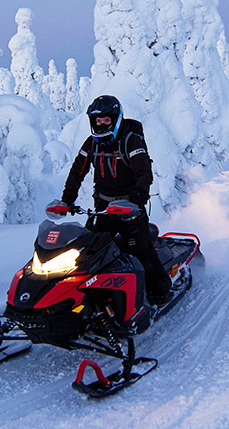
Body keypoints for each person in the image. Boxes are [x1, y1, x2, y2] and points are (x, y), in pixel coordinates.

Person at [52, 95, 171, 309]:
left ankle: (161, 290)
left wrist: (136, 199)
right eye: (97, 121)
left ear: (115, 119)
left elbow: (144, 172)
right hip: (103, 209)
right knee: (88, 251)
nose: (101, 124)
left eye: (106, 120)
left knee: (140, 250)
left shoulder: (130, 140)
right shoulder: (92, 144)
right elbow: (77, 172)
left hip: (130, 209)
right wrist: (66, 201)